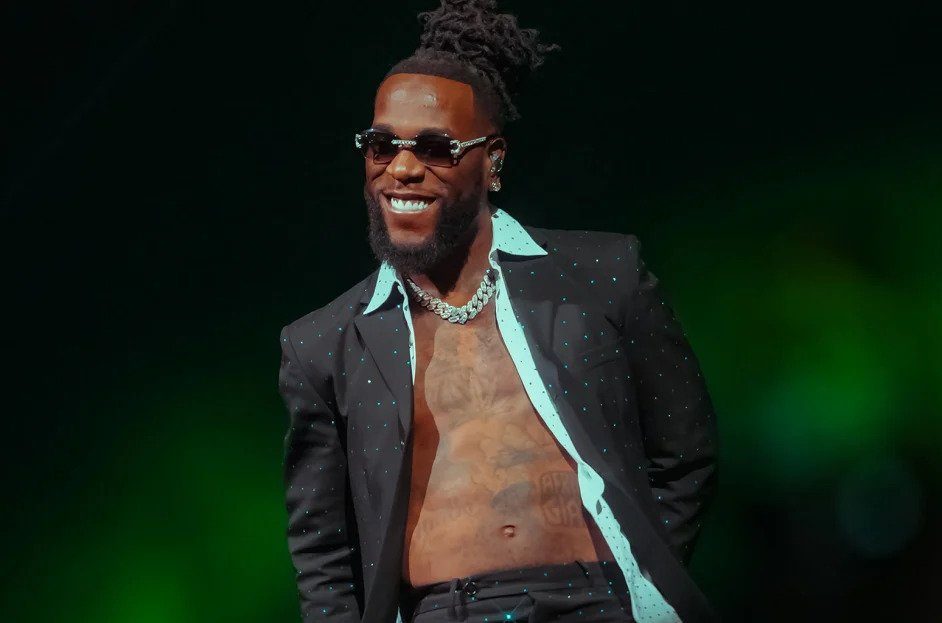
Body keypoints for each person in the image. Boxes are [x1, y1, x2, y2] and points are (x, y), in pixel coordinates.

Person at [276, 1, 719, 621]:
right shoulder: (324, 345)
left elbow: (686, 450)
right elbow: (322, 550)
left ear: (493, 161)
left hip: (601, 601)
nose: (402, 169)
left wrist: (639, 583)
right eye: (381, 146)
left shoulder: (602, 276)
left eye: (435, 148)